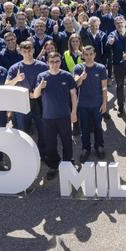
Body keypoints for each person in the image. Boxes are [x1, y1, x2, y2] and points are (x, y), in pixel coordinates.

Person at [32, 52, 78, 180]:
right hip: (48, 117)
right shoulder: (42, 76)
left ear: (60, 62)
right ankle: (53, 165)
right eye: (52, 62)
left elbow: (74, 95)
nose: (54, 64)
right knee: (50, 144)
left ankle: (68, 162)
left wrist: (74, 112)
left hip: (64, 116)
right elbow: (35, 95)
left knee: (67, 141)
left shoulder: (67, 76)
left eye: (57, 61)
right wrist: (40, 86)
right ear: (47, 62)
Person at [73, 45, 109, 161]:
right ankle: (86, 149)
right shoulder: (78, 68)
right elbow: (75, 84)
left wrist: (104, 104)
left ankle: (99, 147)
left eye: (91, 54)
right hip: (83, 105)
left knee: (98, 127)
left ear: (94, 55)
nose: (88, 57)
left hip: (97, 105)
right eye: (86, 55)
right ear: (82, 55)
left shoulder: (101, 68)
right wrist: (81, 79)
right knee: (85, 128)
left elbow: (104, 88)